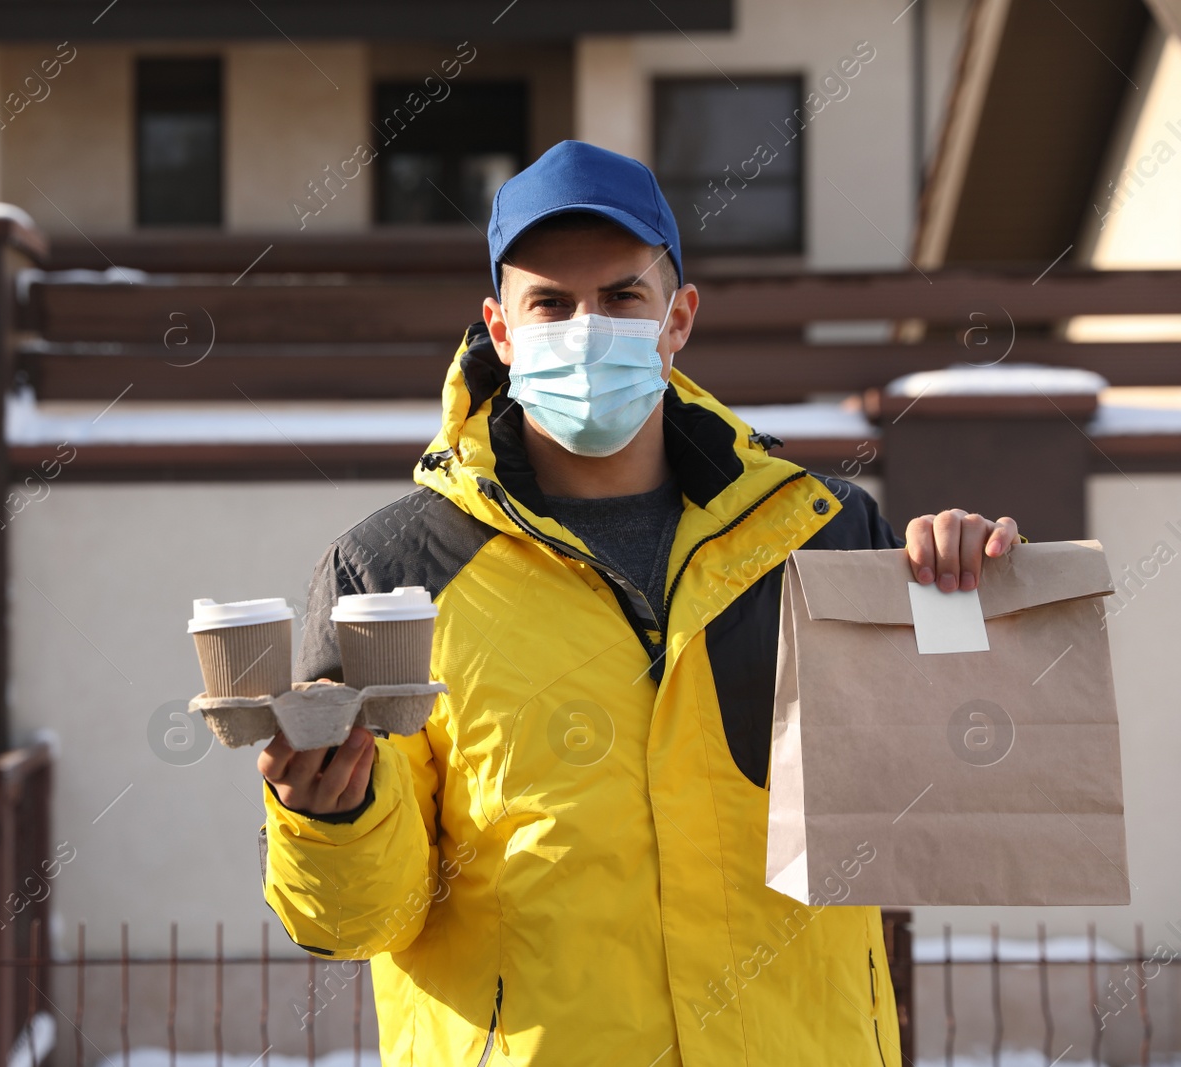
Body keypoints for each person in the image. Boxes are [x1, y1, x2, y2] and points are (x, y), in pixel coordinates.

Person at [256, 140, 1019, 1065]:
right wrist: (328, 819)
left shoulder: (822, 535)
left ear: (678, 317)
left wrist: (962, 594)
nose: (587, 327)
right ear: (500, 330)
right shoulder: (387, 575)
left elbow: (938, 802)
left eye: (622, 297)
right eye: (551, 303)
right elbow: (359, 920)